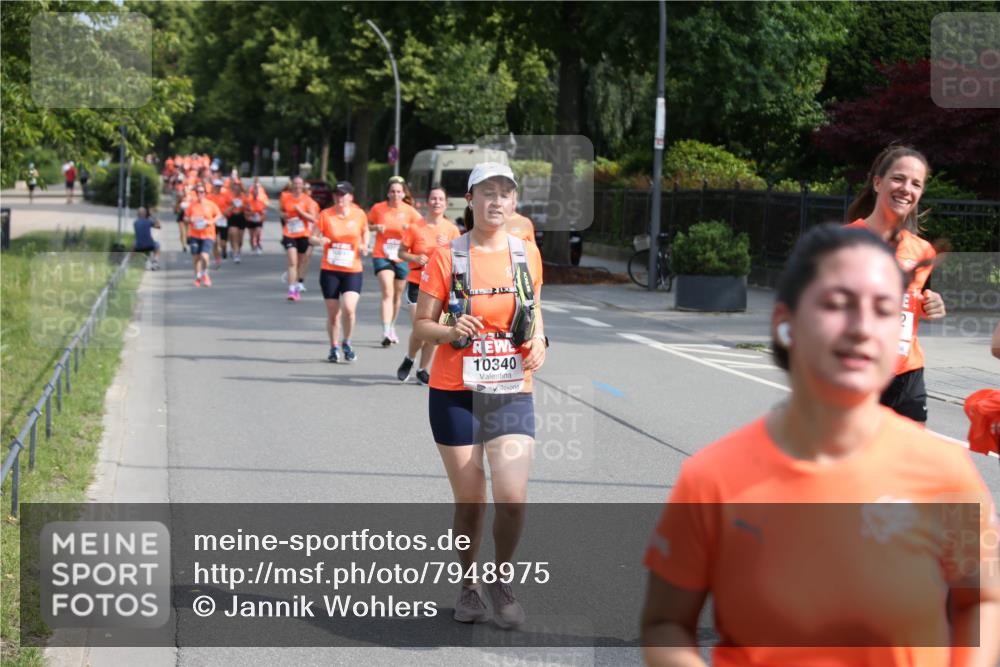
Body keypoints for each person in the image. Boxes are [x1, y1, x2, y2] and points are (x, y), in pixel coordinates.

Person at [640, 224, 999, 667]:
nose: (862, 327)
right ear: (786, 323)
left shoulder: (948, 473)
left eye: (884, 309)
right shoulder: (711, 478)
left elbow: (981, 601)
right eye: (837, 304)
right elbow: (665, 624)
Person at [413, 162, 547, 628]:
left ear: (514, 202)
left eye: (505, 193)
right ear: (469, 200)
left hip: (511, 390)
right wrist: (451, 331)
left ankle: (501, 577)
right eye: (487, 192)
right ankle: (469, 583)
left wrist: (540, 341)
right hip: (455, 392)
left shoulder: (526, 254)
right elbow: (422, 325)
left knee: (512, 498)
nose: (497, 201)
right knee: (472, 502)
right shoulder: (447, 256)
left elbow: (534, 309)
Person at [845, 145, 946, 424]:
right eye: (898, 178)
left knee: (909, 451)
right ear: (878, 183)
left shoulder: (923, 251)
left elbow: (912, 301)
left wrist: (929, 306)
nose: (906, 189)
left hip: (906, 373)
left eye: (916, 184)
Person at [396, 185, 461, 383]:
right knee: (420, 327)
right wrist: (415, 258)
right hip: (418, 283)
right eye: (433, 198)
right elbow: (401, 252)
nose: (436, 202)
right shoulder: (415, 227)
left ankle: (423, 369)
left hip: (441, 287)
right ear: (427, 202)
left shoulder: (452, 229)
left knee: (435, 329)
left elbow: (460, 259)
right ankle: (410, 358)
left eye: (440, 199)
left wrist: (447, 247)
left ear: (446, 203)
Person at [310, 181, 370, 363]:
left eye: (343, 194)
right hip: (330, 270)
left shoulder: (359, 214)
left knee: (349, 309)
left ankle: (347, 342)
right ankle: (334, 346)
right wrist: (319, 241)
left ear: (351, 197)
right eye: (337, 194)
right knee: (334, 315)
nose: (339, 197)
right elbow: (311, 237)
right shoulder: (325, 215)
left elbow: (365, 230)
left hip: (352, 270)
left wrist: (364, 244)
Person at [369, 175, 423, 346]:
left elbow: (421, 227)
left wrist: (411, 228)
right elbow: (366, 225)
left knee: (397, 295)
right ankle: (385, 331)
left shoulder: (410, 211)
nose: (395, 194)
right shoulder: (378, 208)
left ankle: (392, 326)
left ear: (403, 194)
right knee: (387, 291)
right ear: (388, 193)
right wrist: (375, 227)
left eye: (399, 192)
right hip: (382, 254)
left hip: (402, 257)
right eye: (392, 191)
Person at [280, 175, 320, 301]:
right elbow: (281, 211)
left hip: (303, 234)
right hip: (289, 233)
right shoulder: (285, 197)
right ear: (292, 185)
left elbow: (313, 218)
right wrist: (284, 215)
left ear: (302, 186)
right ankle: (291, 290)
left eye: (299, 184)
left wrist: (300, 212)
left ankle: (297, 284)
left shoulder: (308, 200)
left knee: (301, 263)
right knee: (292, 262)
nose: (297, 186)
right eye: (295, 183)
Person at [185, 182, 222, 287]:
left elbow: (219, 215)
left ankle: (205, 274)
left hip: (208, 234)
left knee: (204, 256)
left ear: (205, 193)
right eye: (198, 192)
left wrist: (211, 222)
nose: (199, 194)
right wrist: (190, 219)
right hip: (195, 234)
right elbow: (186, 217)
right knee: (196, 258)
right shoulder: (192, 205)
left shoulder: (210, 204)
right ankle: (198, 277)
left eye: (201, 192)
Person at [207, 179, 230, 269]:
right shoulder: (209, 197)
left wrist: (226, 212)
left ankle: (224, 249)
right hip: (213, 221)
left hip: (223, 220)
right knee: (214, 241)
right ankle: (217, 259)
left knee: (222, 242)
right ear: (213, 187)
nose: (218, 188)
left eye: (219, 186)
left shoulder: (225, 196)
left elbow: (232, 205)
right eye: (216, 186)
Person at [225, 178, 248, 263]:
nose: (236, 188)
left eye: (238, 186)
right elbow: (225, 209)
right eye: (235, 186)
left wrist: (243, 206)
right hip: (232, 217)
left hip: (241, 217)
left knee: (240, 240)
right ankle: (236, 253)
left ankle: (237, 249)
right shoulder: (228, 196)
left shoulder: (244, 197)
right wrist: (233, 206)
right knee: (234, 235)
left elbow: (248, 208)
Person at [246, 179, 268, 255]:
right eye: (254, 193)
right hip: (250, 220)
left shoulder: (261, 200)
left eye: (257, 193)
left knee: (258, 233)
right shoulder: (249, 201)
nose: (255, 194)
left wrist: (262, 216)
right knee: (252, 236)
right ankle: (253, 247)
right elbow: (246, 212)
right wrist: (250, 213)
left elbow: (264, 211)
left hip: (259, 220)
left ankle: (258, 245)